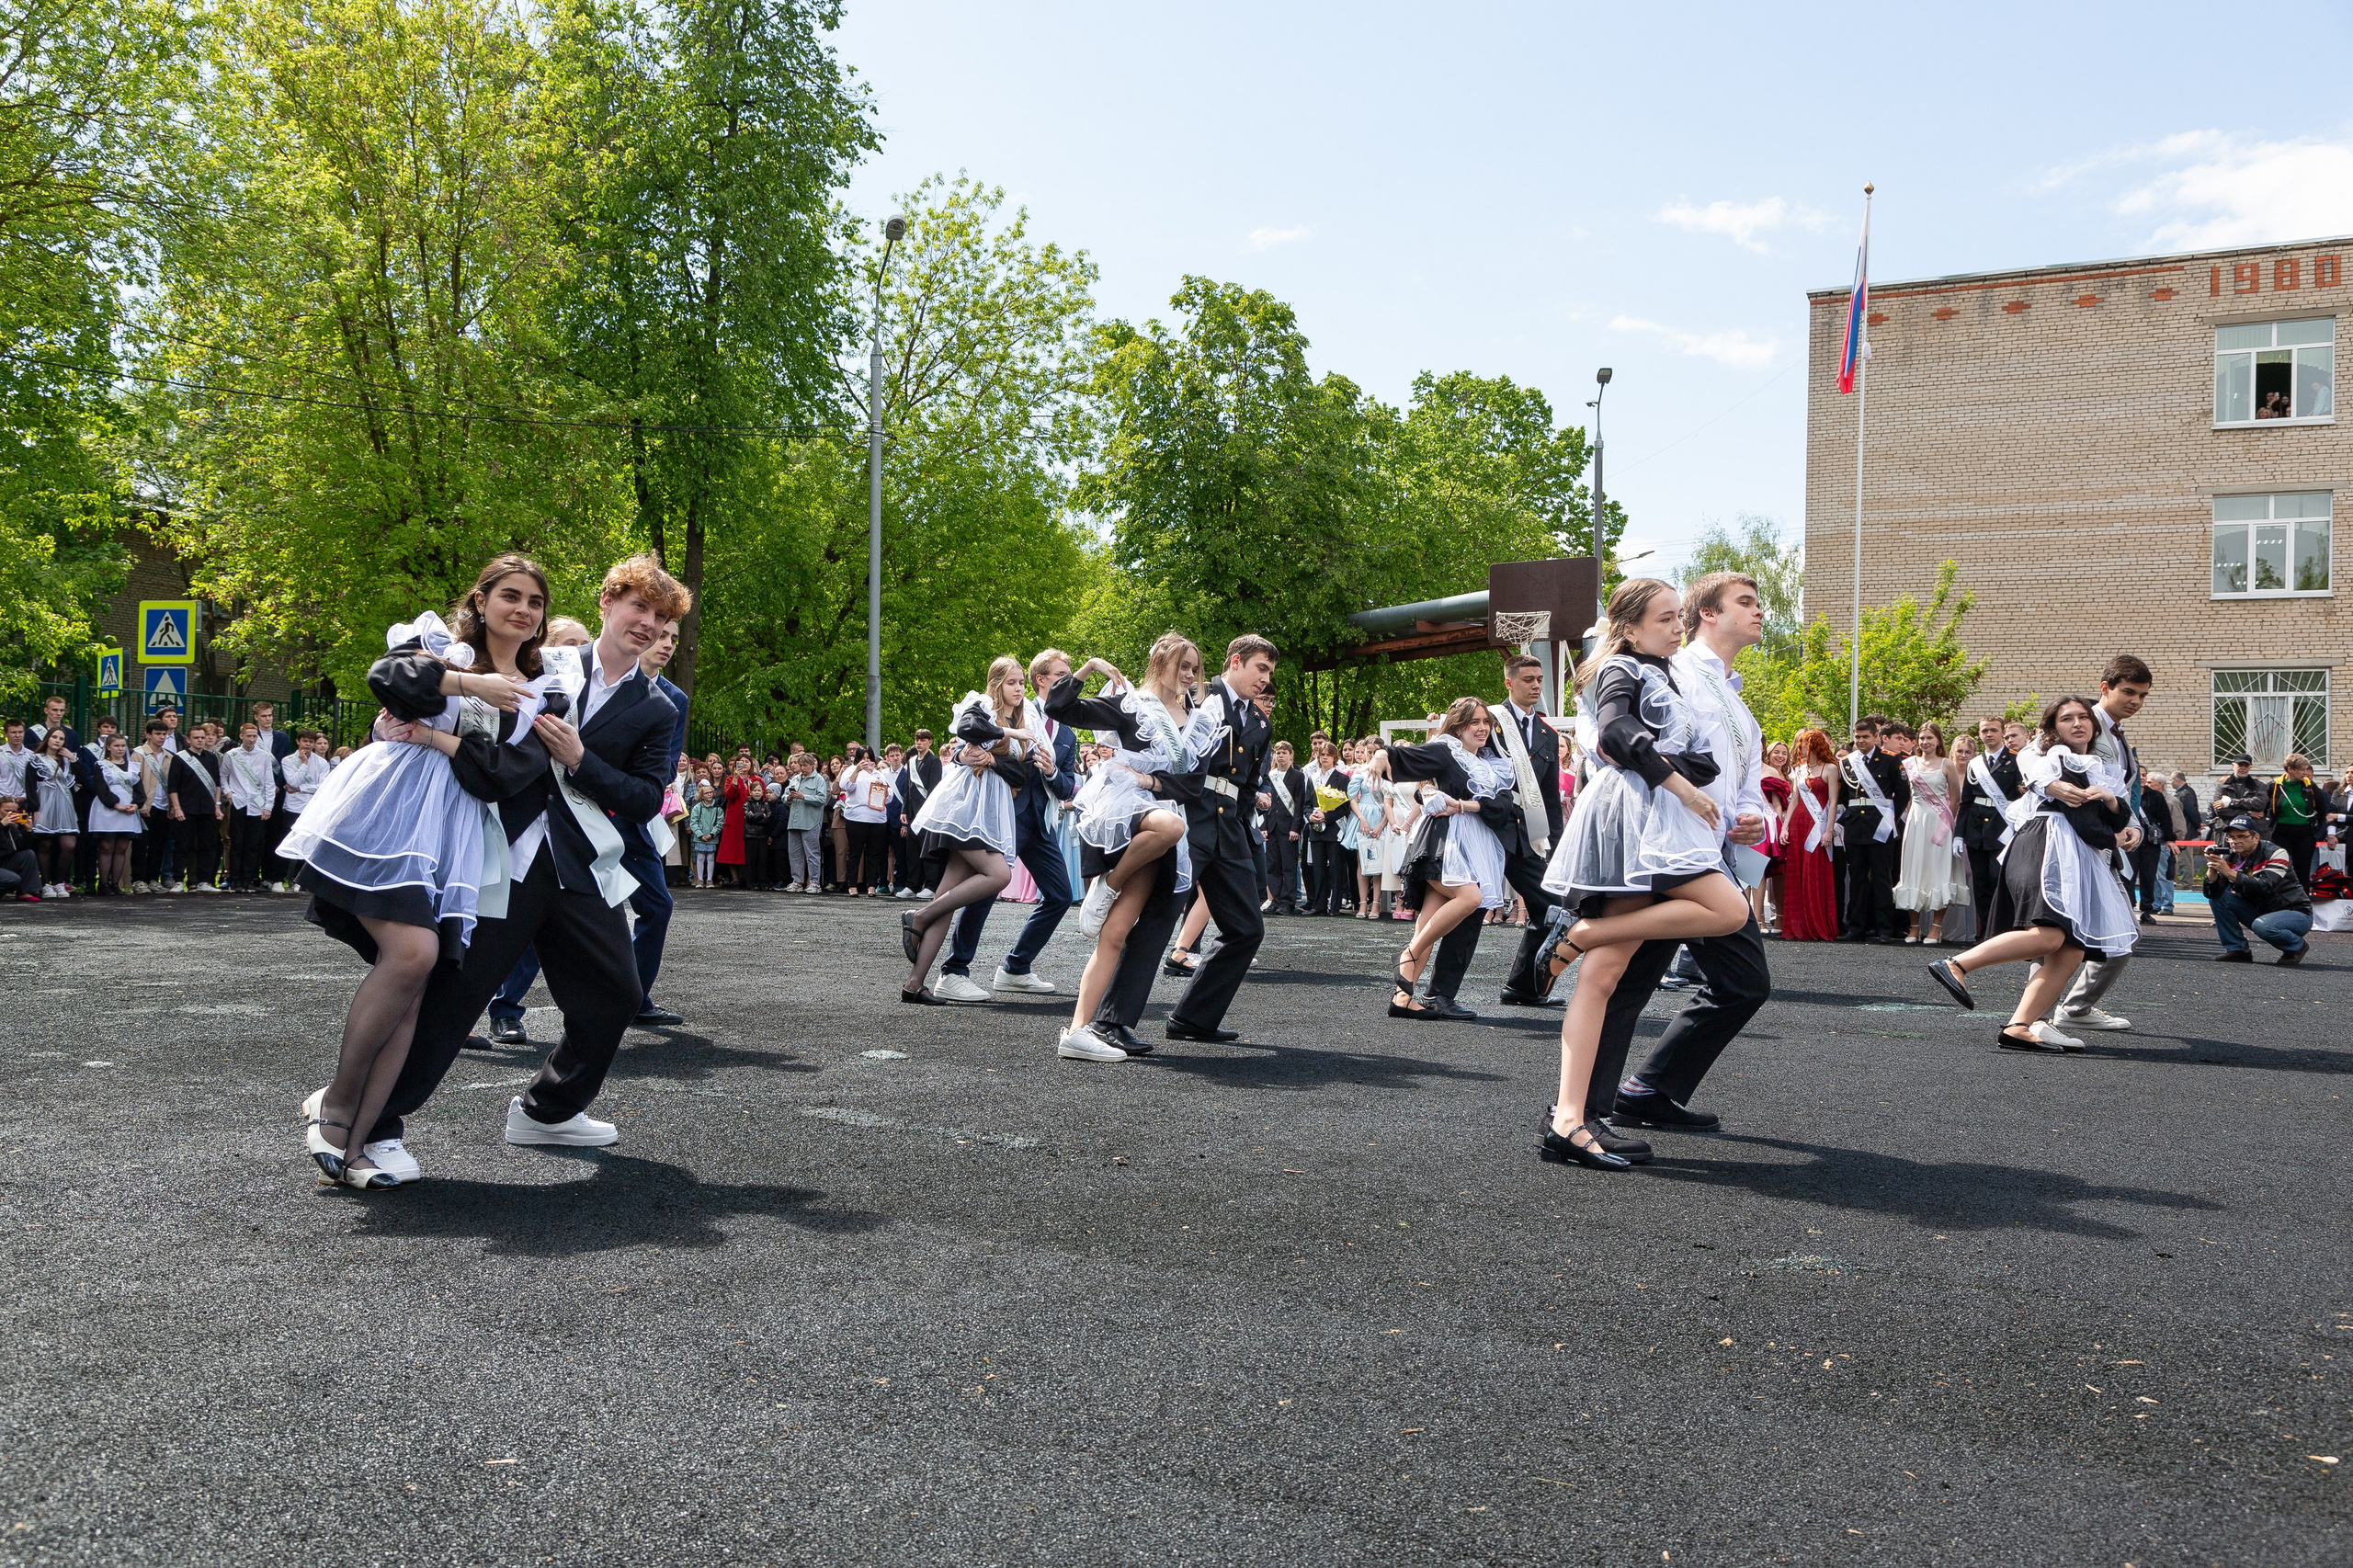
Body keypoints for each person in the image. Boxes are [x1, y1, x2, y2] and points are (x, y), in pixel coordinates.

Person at [355, 552, 688, 1179]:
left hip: (577, 865)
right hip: (496, 847)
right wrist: (410, 718)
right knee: (457, 995)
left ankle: (548, 1110)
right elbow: (450, 679)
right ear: (607, 605)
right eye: (638, 607)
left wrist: (584, 759)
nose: (647, 623)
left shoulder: (661, 707)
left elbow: (647, 798)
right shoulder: (546, 661)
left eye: (662, 616)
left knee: (616, 992)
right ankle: (375, 1125)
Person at [283, 560, 560, 1189]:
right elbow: (388, 678)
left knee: (413, 981)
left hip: (453, 837)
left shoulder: (540, 691)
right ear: (482, 601)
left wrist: (437, 739)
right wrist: (467, 684)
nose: (522, 609)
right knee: (412, 955)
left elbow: (508, 775)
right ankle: (337, 1106)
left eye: (535, 601)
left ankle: (353, 1150)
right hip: (391, 817)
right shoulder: (446, 647)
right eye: (509, 596)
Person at [1532, 578, 1753, 1169]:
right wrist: (1677, 780)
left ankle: (1569, 1120)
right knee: (1727, 911)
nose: (1677, 626)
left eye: (1678, 617)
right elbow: (1615, 735)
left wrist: (1685, 774)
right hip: (1634, 818)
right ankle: (1570, 1119)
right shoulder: (1621, 670)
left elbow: (1702, 757)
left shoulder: (1670, 676)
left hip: (1660, 818)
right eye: (1664, 619)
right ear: (1628, 628)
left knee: (1605, 971)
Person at [1925, 696, 2136, 1051]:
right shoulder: (2055, 759)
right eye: (2067, 719)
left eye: (2084, 717)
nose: (2078, 723)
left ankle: (2019, 1026)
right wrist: (2112, 834)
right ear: (2053, 729)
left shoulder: (2093, 763)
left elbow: (2110, 814)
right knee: (2051, 936)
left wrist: (2115, 805)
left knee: (2071, 949)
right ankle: (1956, 964)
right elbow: (2082, 818)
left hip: (2075, 854)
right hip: (2047, 847)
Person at [1048, 636, 1202, 1061]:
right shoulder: (1131, 703)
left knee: (1115, 933)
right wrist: (1089, 666)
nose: (1189, 674)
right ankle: (1108, 885)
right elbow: (1058, 708)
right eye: (1182, 665)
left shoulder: (1197, 720)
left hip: (1153, 825)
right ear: (1159, 662)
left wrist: (1150, 781)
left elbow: (1192, 784)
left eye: (1194, 668)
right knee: (1170, 826)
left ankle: (1077, 1032)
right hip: (1123, 813)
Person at [931, 649, 1080, 1002]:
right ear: (1040, 680)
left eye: (1070, 677)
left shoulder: (1068, 736)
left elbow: (1066, 786)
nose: (1068, 683)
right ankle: (954, 971)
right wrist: (958, 754)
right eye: (1061, 676)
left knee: (1060, 894)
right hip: (1001, 813)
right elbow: (969, 736)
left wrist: (1052, 771)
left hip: (1039, 818)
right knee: (986, 889)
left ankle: (1015, 968)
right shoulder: (1016, 707)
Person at [1371, 698, 1521, 1020]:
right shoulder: (1445, 749)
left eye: (1485, 722)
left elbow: (1502, 806)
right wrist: (1383, 753)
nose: (1482, 728)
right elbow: (1408, 757)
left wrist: (1466, 805)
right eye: (1474, 722)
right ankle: (1408, 955)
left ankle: (1402, 997)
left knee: (1428, 920)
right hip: (1443, 839)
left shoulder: (1494, 762)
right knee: (1471, 898)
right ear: (1458, 725)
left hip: (1475, 842)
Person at [898, 657, 1033, 1003]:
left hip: (987, 815)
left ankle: (914, 984)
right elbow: (969, 729)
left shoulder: (1021, 719)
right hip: (962, 810)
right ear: (996, 684)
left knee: (947, 899)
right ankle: (920, 914)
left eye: (1022, 683)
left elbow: (1020, 776)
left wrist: (993, 760)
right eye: (1012, 683)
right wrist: (1009, 734)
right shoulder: (982, 706)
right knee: (999, 875)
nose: (1019, 689)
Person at [2040, 655, 2154, 1038]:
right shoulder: (2077, 719)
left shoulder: (2119, 735)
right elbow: (2029, 751)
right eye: (2128, 692)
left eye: (2142, 695)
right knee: (2057, 931)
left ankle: (2074, 1008)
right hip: (2069, 844)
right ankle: (2036, 1018)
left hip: (2105, 846)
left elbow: (2121, 788)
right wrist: (2048, 783)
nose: (2136, 700)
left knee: (2119, 933)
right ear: (2105, 689)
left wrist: (2133, 825)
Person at [2205, 814, 2315, 963]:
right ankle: (2237, 950)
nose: (2235, 841)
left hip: (2295, 912)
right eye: (2231, 837)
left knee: (2263, 925)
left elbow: (2265, 886)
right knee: (2219, 899)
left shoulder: (2276, 853)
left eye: (2241, 837)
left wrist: (2229, 873)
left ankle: (2297, 946)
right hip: (2262, 911)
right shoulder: (2231, 857)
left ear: (2255, 837)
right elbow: (2212, 893)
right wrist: (2212, 869)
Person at [1837, 717, 1909, 942]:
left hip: (1881, 826)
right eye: (1857, 736)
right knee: (1857, 879)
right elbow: (1843, 797)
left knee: (1881, 878)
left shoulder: (1890, 759)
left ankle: (1885, 928)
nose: (1860, 741)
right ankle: (1856, 927)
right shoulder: (1848, 762)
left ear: (1876, 737)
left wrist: (1891, 819)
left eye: (1865, 737)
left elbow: (1903, 793)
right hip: (1855, 827)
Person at [1894, 722, 1967, 945]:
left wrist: (1947, 825)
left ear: (1938, 741)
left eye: (1930, 738)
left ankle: (1936, 928)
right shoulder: (1908, 764)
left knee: (1938, 872)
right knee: (1913, 872)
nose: (1926, 742)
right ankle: (1914, 928)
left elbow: (1955, 799)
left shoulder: (1947, 765)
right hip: (1916, 823)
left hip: (1940, 822)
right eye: (1923, 738)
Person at [1957, 716, 2021, 938]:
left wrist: (2013, 827)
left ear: (2003, 733)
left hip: (2003, 829)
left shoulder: (2016, 760)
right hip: (1976, 830)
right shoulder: (1975, 763)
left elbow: (2022, 799)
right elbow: (1965, 802)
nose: (1988, 734)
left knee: (1999, 881)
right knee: (1981, 884)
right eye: (1984, 730)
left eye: (1993, 730)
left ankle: (2004, 932)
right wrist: (1959, 835)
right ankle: (1985, 933)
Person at [1779, 729, 1841, 941]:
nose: (1802, 746)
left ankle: (1817, 924)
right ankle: (1797, 926)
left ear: (1815, 745)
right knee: (1796, 872)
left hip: (1818, 825)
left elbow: (1833, 801)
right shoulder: (1799, 770)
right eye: (1801, 743)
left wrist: (1829, 830)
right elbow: (1794, 801)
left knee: (1814, 872)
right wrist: (1785, 827)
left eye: (1806, 743)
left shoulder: (1830, 768)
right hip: (1798, 824)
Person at [166, 721, 224, 892]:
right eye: (196, 738)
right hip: (186, 808)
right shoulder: (180, 758)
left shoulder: (212, 758)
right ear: (188, 740)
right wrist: (176, 808)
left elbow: (217, 784)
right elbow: (173, 786)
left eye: (202, 737)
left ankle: (204, 881)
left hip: (207, 808)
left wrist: (217, 806)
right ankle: (178, 881)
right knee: (182, 845)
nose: (200, 740)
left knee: (208, 845)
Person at [222, 722, 279, 893]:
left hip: (257, 804)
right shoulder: (231, 755)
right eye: (249, 736)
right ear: (241, 736)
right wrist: (229, 793)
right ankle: (235, 880)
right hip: (239, 803)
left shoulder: (263, 756)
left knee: (253, 845)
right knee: (237, 843)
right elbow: (222, 776)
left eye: (254, 736)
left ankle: (248, 880)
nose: (252, 739)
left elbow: (269, 782)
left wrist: (268, 806)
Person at [27, 726, 80, 898]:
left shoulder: (67, 759)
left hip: (64, 803)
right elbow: (30, 786)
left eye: (61, 739)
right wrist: (35, 809)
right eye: (55, 737)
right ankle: (46, 883)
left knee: (68, 845)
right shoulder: (36, 759)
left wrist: (72, 758)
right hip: (44, 803)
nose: (57, 741)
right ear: (48, 738)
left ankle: (59, 882)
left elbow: (82, 778)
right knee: (45, 844)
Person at [85, 733, 142, 894]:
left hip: (128, 810)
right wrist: (115, 804)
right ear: (109, 747)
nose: (120, 749)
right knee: (107, 845)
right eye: (116, 746)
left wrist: (136, 804)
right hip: (107, 809)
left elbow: (139, 789)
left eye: (123, 746)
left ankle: (115, 884)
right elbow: (100, 788)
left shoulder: (133, 766)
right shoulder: (102, 765)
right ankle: (103, 884)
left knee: (122, 847)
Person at [277, 729, 331, 891]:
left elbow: (323, 786)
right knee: (287, 840)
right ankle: (278, 878)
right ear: (298, 742)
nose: (308, 744)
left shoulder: (322, 763)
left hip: (312, 807)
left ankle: (300, 881)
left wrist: (301, 788)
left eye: (311, 742)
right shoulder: (288, 760)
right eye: (305, 741)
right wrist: (304, 764)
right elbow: (292, 781)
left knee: (307, 843)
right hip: (293, 807)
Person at [130, 719, 176, 892]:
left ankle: (152, 878)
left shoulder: (169, 756)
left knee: (159, 844)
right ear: (148, 734)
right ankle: (138, 880)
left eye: (164, 734)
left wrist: (172, 806)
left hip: (163, 806)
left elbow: (172, 783)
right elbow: (134, 780)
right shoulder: (138, 754)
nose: (161, 737)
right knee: (141, 844)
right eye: (157, 734)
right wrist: (140, 803)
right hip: (146, 805)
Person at [894, 730, 942, 898]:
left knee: (928, 850)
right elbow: (908, 789)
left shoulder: (934, 762)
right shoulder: (912, 762)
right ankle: (912, 885)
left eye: (923, 740)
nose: (919, 743)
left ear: (930, 742)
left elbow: (934, 789)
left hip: (927, 813)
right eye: (917, 739)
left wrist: (928, 812)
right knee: (912, 851)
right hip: (912, 813)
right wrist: (904, 811)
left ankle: (930, 886)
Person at [2267, 755, 2325, 889]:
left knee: (2302, 871)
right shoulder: (2274, 786)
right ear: (2290, 769)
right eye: (2302, 770)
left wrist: (2316, 832)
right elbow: (2264, 809)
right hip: (2280, 834)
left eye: (2306, 769)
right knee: (2280, 869)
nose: (2306, 773)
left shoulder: (2310, 786)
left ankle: (2302, 903)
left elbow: (2322, 810)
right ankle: (2279, 901)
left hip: (2305, 834)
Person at [836, 748, 890, 895]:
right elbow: (846, 786)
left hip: (877, 818)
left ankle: (871, 885)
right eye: (863, 758)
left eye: (869, 758)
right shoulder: (851, 771)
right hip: (857, 817)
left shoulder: (879, 774)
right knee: (855, 852)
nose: (866, 761)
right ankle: (852, 884)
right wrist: (856, 771)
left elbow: (889, 796)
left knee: (873, 853)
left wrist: (882, 788)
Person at [1262, 742, 1306, 915]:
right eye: (1278, 753)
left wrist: (1296, 828)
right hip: (1272, 826)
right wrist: (1264, 826)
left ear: (1291, 755)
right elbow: (1266, 803)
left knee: (1289, 866)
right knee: (1273, 866)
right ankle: (1276, 899)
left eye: (1284, 753)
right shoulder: (1270, 775)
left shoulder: (1297, 776)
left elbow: (1300, 803)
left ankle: (1288, 902)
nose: (1280, 756)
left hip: (1289, 828)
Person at [1756, 740, 1791, 934]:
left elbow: (1777, 803)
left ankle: (1777, 918)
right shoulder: (1742, 767)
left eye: (1783, 753)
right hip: (1749, 820)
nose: (1780, 756)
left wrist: (1778, 825)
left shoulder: (1774, 773)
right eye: (1776, 752)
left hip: (1771, 823)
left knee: (1773, 871)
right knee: (1749, 871)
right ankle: (1754, 918)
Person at [782, 752, 827, 891]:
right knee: (794, 853)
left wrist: (804, 797)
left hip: (810, 821)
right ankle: (797, 881)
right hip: (794, 821)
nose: (802, 768)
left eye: (805, 765)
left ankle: (814, 882)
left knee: (812, 853)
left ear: (812, 765)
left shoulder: (819, 780)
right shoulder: (795, 779)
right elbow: (783, 797)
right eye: (801, 765)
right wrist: (789, 798)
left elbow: (822, 799)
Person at [2212, 754, 2267, 836]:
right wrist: (2248, 813)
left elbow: (2260, 804)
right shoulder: (2222, 786)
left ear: (2250, 768)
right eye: (2240, 765)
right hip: (2227, 830)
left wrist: (2230, 802)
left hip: (2252, 831)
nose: (2243, 768)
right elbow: (2220, 810)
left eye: (2246, 765)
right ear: (2233, 766)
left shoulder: (2259, 786)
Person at [741, 776, 774, 890]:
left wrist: (756, 816)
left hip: (763, 836)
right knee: (751, 861)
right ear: (750, 792)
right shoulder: (747, 804)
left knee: (763, 861)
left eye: (759, 790)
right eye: (755, 790)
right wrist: (761, 815)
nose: (757, 793)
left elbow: (768, 818)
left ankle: (763, 882)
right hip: (750, 836)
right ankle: (751, 883)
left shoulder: (766, 804)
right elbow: (749, 817)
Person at [688, 780, 722, 886]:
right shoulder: (697, 808)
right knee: (700, 857)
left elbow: (720, 822)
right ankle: (700, 879)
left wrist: (712, 834)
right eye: (707, 793)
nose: (709, 795)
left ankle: (710, 879)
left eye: (711, 792)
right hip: (699, 837)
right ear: (702, 795)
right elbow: (693, 822)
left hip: (712, 837)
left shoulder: (717, 808)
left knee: (711, 857)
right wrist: (700, 835)